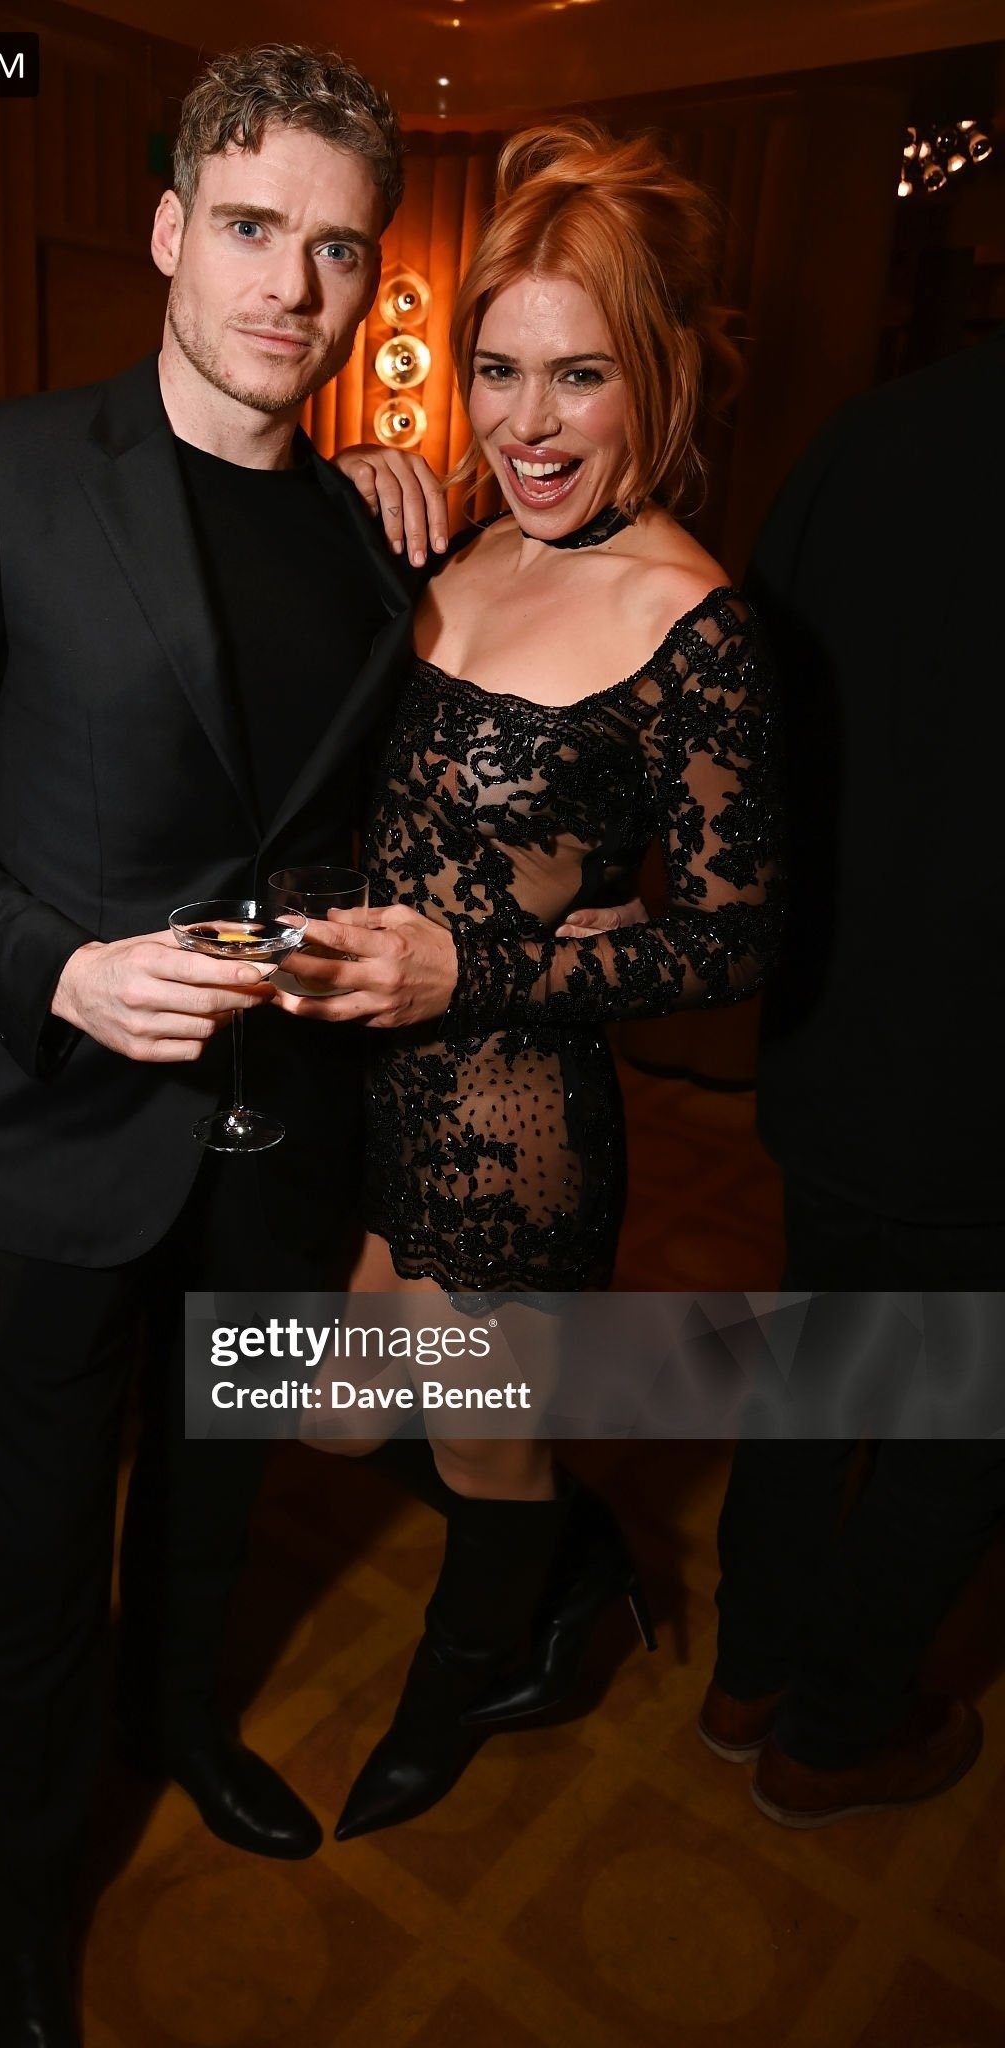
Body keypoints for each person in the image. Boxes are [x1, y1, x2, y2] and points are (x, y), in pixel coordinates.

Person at [0, 42, 430, 2048]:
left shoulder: (370, 532)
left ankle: (184, 1726)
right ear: (171, 231)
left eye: (337, 249)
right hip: (54, 1131)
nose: (292, 285)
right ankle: (27, 1932)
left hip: (281, 1142)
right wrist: (57, 970)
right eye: (251, 227)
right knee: (33, 1569)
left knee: (214, 1499)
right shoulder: (2, 466)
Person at [274, 121, 784, 1838]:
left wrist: (472, 965)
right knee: (336, 1424)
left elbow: (734, 938)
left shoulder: (696, 626)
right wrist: (342, 488)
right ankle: (578, 1550)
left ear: (658, 375)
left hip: (512, 1128)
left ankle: (484, 1667)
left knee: (480, 1446)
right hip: (359, 1086)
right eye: (499, 372)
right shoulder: (456, 543)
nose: (529, 423)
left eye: (580, 376)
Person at [698, 327, 1005, 1825]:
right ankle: (836, 1730)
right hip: (981, 1073)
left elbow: (748, 724)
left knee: (819, 1363)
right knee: (959, 1424)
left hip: (837, 1028)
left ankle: (748, 1671)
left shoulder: (867, 438)